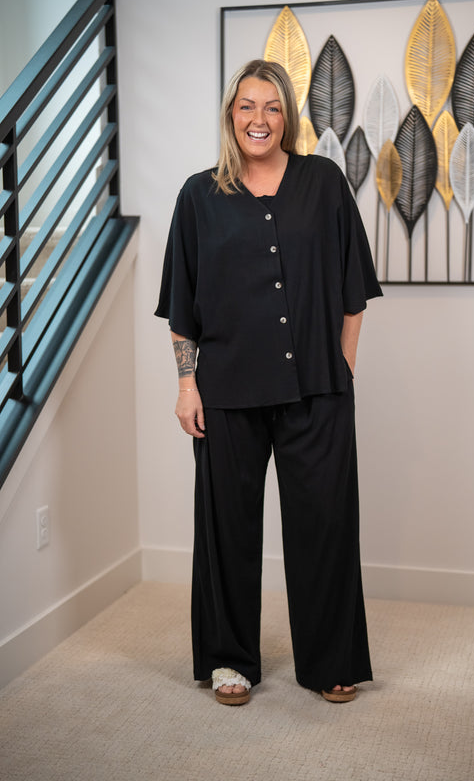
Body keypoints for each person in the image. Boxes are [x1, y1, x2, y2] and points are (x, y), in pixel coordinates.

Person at [155, 59, 382, 706]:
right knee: (226, 530)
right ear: (231, 115)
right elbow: (182, 307)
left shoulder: (324, 183)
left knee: (326, 527)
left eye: (272, 107)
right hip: (225, 393)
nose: (259, 119)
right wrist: (185, 387)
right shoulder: (198, 195)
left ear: (288, 116)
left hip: (317, 390)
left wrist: (341, 371)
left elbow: (351, 296)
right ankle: (229, 661)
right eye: (247, 106)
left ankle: (331, 661)